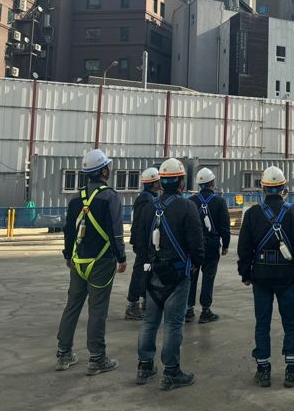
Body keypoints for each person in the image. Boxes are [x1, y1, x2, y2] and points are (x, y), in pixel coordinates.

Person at [135, 157, 205, 390]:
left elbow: (141, 241)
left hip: (153, 272)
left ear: (162, 182)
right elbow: (196, 243)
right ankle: (171, 372)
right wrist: (196, 263)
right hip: (177, 274)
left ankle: (144, 366)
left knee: (149, 321)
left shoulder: (148, 207)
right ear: (182, 183)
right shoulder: (187, 207)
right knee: (173, 324)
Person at [237, 166, 294, 388]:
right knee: (290, 322)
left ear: (264, 188)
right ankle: (292, 369)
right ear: (283, 188)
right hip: (286, 275)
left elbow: (244, 247)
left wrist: (245, 273)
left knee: (263, 322)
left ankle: (263, 370)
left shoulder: (252, 214)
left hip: (260, 275)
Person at [56, 149, 127, 375]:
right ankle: (97, 358)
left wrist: (68, 255)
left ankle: (63, 353)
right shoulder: (110, 197)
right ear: (104, 170)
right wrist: (122, 257)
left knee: (72, 306)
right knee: (98, 310)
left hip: (78, 261)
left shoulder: (76, 198)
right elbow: (116, 233)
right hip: (102, 262)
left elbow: (69, 230)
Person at [186, 167, 231, 323]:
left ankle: (188, 309)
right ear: (212, 183)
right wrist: (225, 244)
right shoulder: (219, 201)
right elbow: (224, 225)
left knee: (192, 276)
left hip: (194, 245)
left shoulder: (191, 201)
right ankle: (206, 311)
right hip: (212, 244)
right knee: (208, 276)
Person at [125, 167, 161, 320]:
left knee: (148, 272)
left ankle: (144, 300)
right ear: (154, 183)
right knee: (140, 272)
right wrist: (142, 246)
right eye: (158, 181)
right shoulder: (146, 200)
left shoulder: (149, 198)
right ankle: (132, 305)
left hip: (147, 243)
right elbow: (140, 225)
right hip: (144, 244)